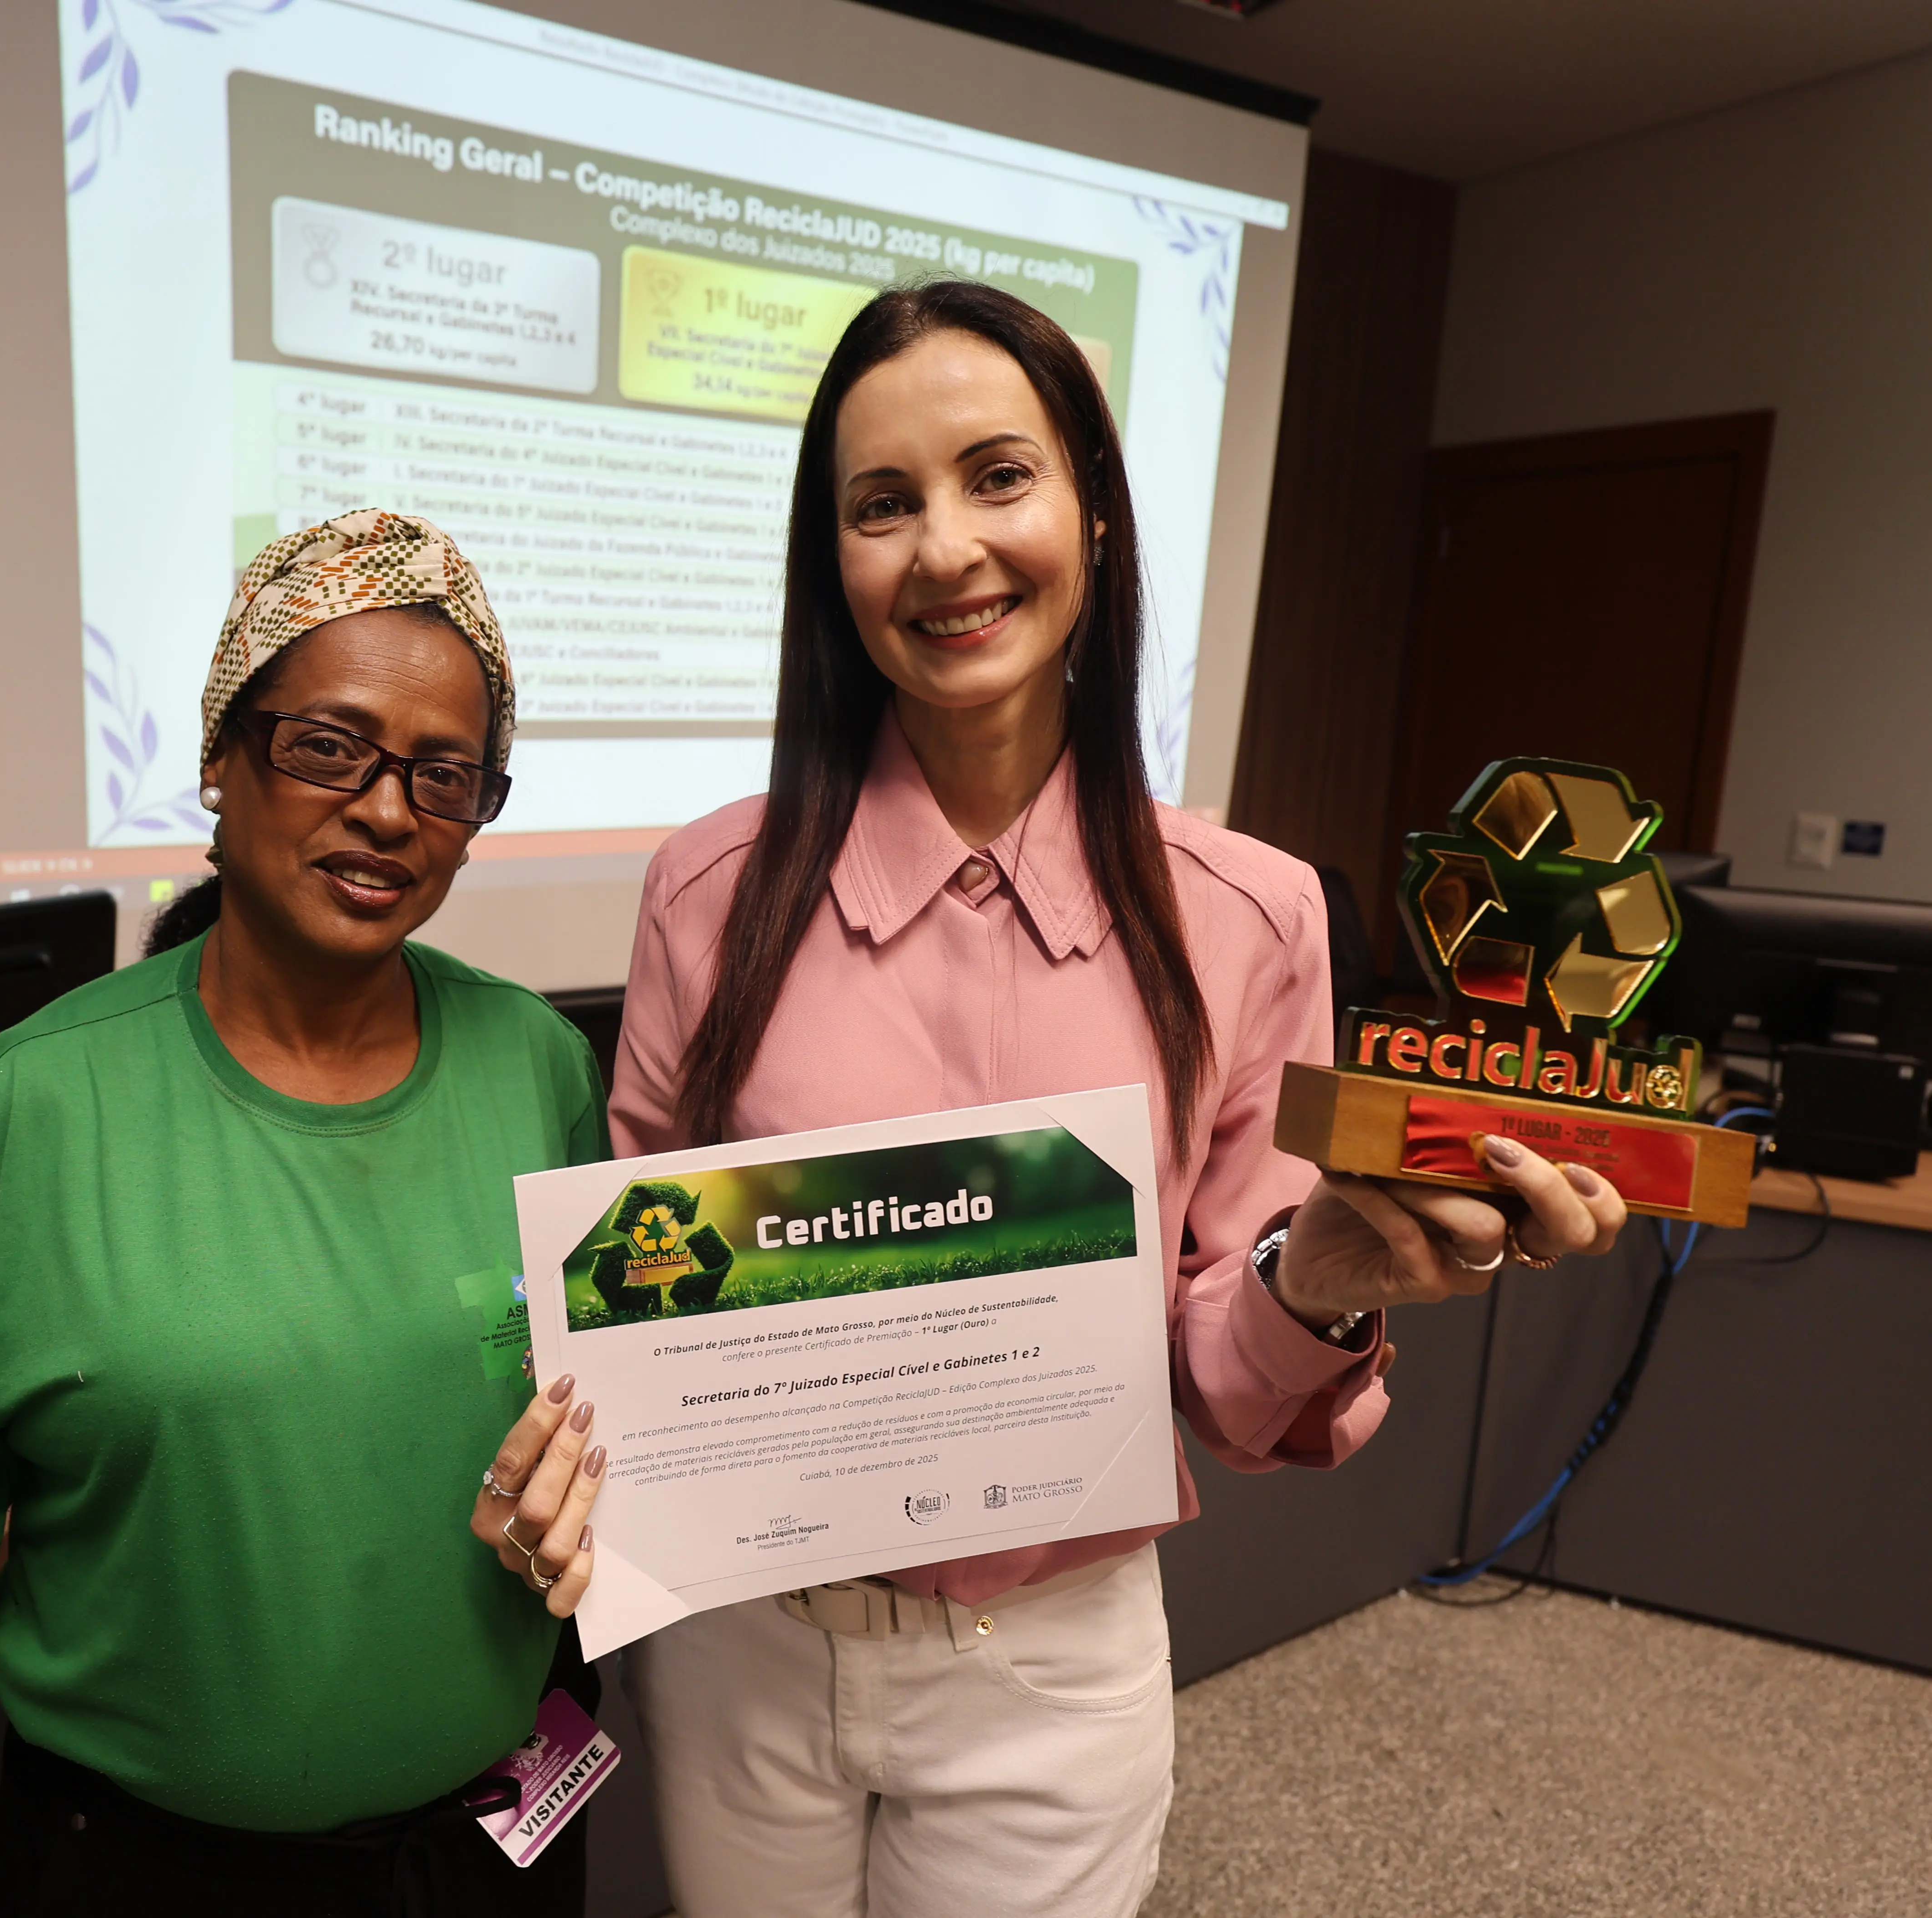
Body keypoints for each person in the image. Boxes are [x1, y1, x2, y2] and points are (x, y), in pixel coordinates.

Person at [573, 280, 1632, 1916]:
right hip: (742, 1647)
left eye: (997, 477)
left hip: (1045, 1660)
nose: (943, 551)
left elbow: (1222, 1370)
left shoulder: (1253, 914)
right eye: (880, 504)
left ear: (1094, 511)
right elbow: (640, 1308)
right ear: (829, 563)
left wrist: (1320, 1277)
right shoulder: (704, 891)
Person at [0, 510, 612, 1918]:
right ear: (219, 761)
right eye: (327, 745)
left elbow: (587, 1435)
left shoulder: (537, 1071)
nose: (389, 811)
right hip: (142, 1876)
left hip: (489, 1857)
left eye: (445, 776)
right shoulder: (15, 1124)